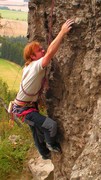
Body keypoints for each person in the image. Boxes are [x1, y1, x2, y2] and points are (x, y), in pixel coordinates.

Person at [12, 19, 74, 160]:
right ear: (33, 57)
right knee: (50, 126)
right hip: (25, 110)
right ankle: (51, 145)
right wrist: (62, 32)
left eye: (41, 49)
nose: (43, 50)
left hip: (23, 108)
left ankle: (44, 154)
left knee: (36, 130)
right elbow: (50, 53)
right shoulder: (35, 66)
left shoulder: (28, 66)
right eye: (39, 51)